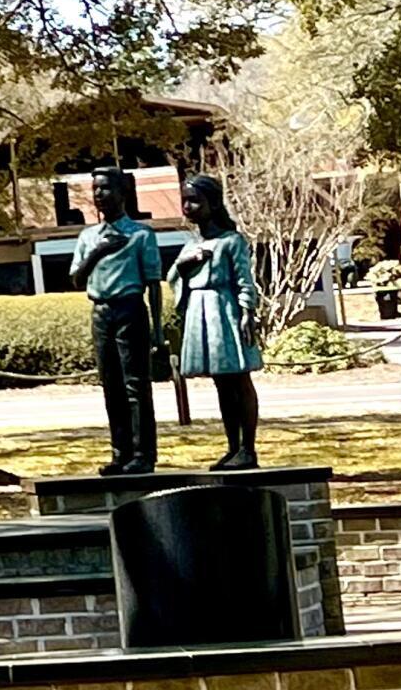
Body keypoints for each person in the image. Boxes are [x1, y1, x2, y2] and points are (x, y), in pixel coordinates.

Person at [167, 172, 264, 470]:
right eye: (185, 201)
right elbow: (173, 279)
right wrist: (183, 266)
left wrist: (247, 311)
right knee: (222, 384)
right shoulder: (190, 246)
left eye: (195, 201)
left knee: (239, 379)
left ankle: (248, 448)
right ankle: (232, 447)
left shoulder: (231, 241)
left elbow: (244, 280)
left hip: (225, 310)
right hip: (200, 311)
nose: (188, 207)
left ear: (213, 203)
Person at [69, 169, 163, 474]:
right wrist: (97, 252)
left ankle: (143, 454)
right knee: (111, 386)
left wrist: (158, 330)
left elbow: (153, 284)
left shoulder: (140, 235)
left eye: (106, 189)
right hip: (100, 312)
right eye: (95, 189)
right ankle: (119, 452)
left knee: (136, 386)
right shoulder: (88, 237)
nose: (99, 195)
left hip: (130, 310)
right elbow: (76, 279)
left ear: (123, 193)